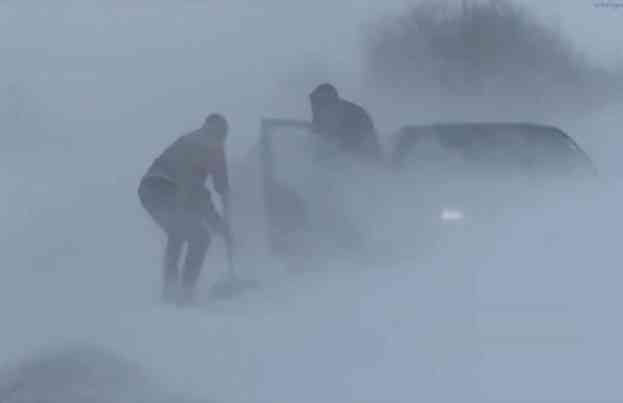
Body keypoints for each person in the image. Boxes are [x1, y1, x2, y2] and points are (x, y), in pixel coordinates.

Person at [138, 113, 230, 304]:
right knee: (200, 237)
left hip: (150, 189)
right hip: (166, 190)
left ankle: (171, 290)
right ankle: (185, 291)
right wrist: (217, 223)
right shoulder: (210, 145)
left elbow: (199, 189)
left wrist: (217, 217)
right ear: (220, 133)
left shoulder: (193, 139)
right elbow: (199, 191)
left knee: (178, 232)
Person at [309, 83, 382, 164]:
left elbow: (367, 152)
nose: (316, 111)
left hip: (363, 161)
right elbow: (317, 135)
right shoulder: (322, 115)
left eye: (320, 107)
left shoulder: (357, 117)